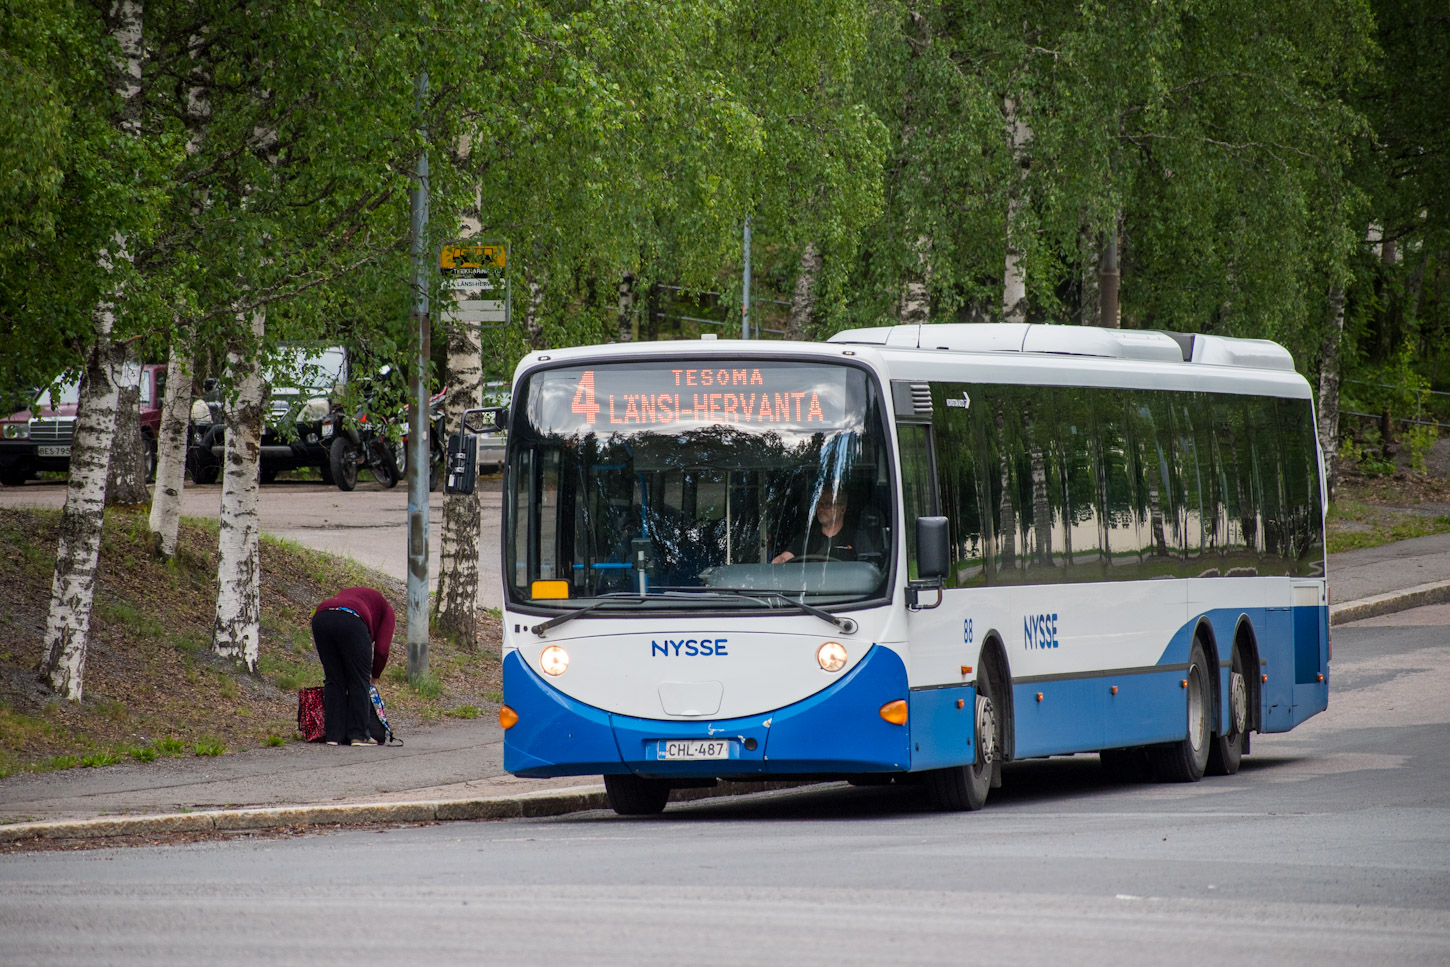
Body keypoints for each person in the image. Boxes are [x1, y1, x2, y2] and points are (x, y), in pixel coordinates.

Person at [312, 586, 395, 747]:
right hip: (352, 620)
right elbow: (382, 651)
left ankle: (334, 735)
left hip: (321, 616)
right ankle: (358, 735)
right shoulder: (386, 610)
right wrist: (374, 676)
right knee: (359, 680)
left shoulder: (354, 596)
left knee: (334, 679)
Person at [771, 488, 879, 564]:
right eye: (819, 504)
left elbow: (869, 568)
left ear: (842, 509)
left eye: (827, 504)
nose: (821, 509)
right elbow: (785, 558)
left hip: (846, 594)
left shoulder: (858, 538)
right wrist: (778, 562)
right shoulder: (806, 538)